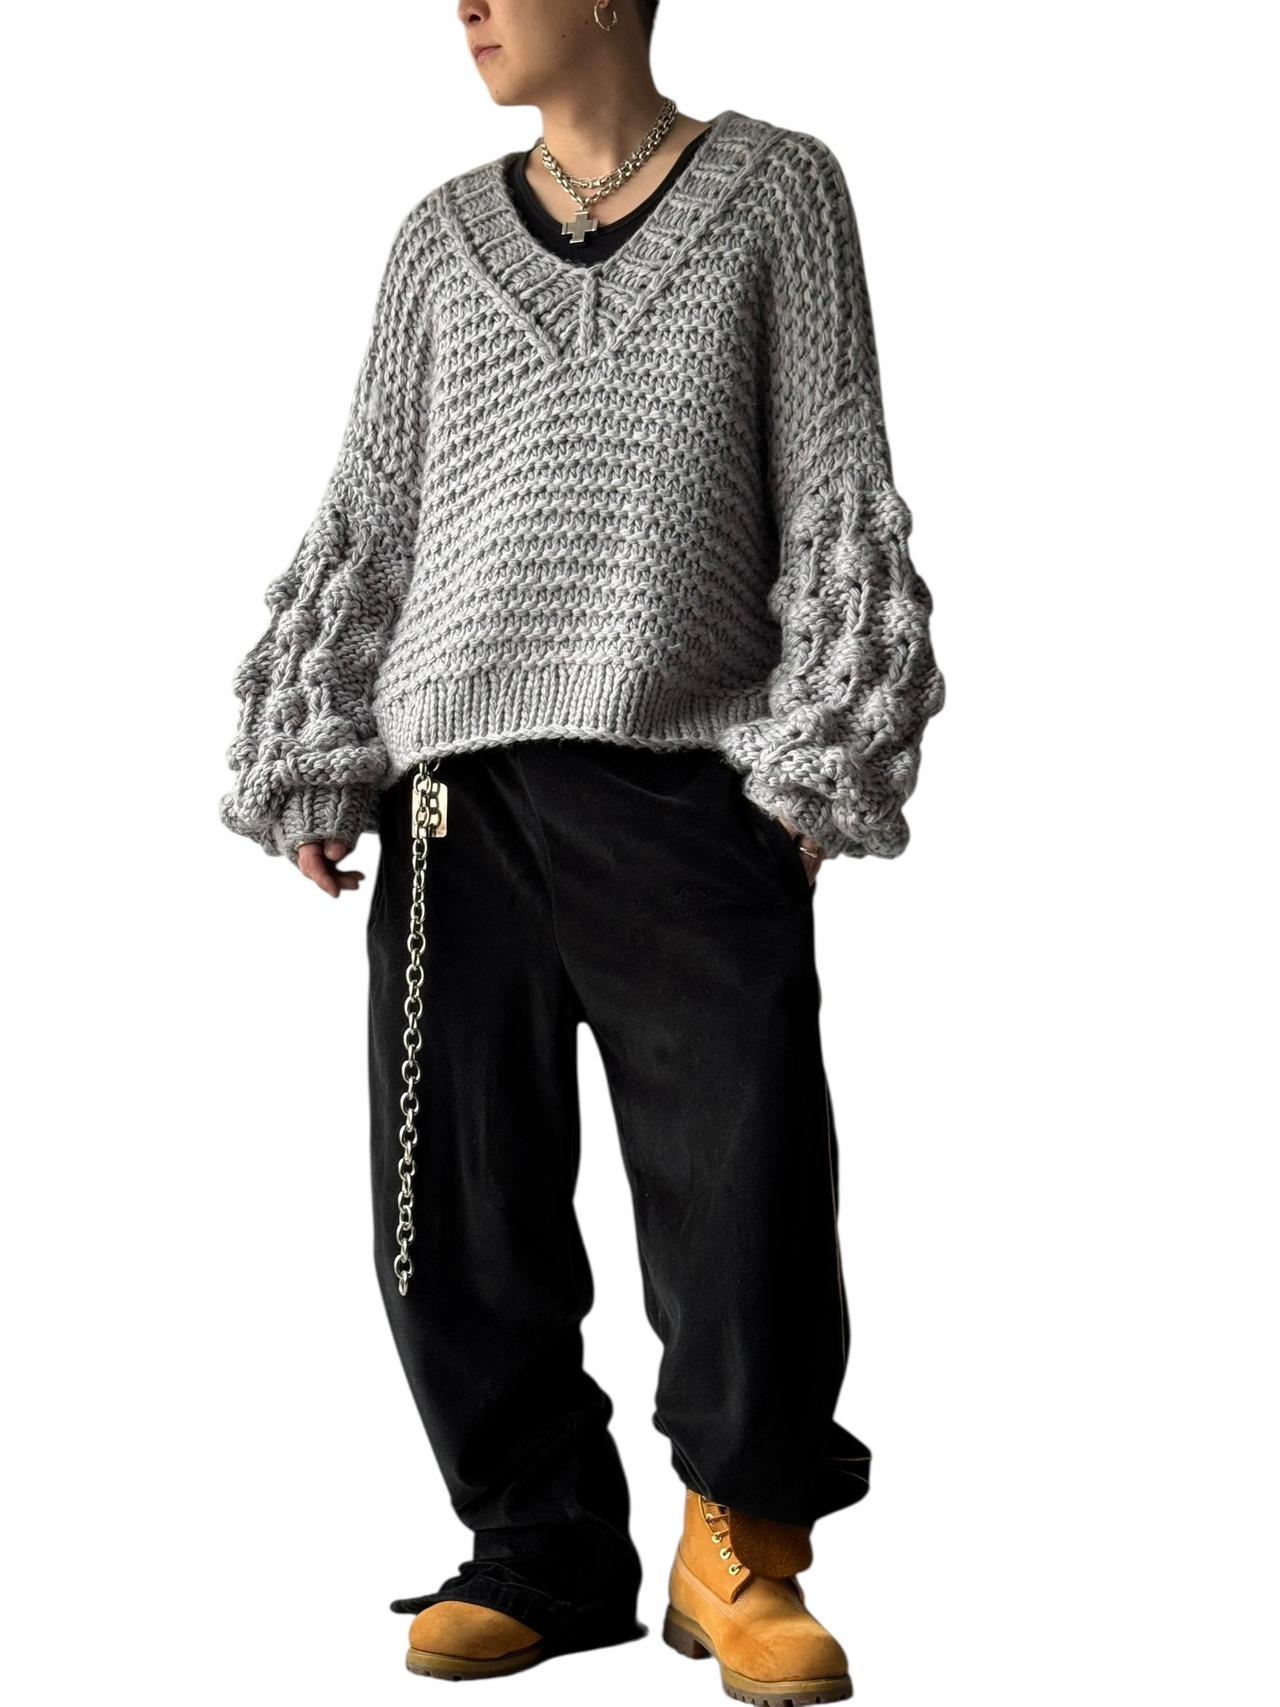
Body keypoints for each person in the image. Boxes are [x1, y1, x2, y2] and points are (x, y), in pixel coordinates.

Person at [219, 0, 945, 1697]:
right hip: (453, 797)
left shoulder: (777, 194)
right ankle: (539, 1546)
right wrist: (318, 742)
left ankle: (740, 1542)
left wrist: (819, 756)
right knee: (450, 1203)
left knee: (746, 1177)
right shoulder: (437, 242)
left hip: (688, 777)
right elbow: (374, 511)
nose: (466, 5)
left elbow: (836, 480)